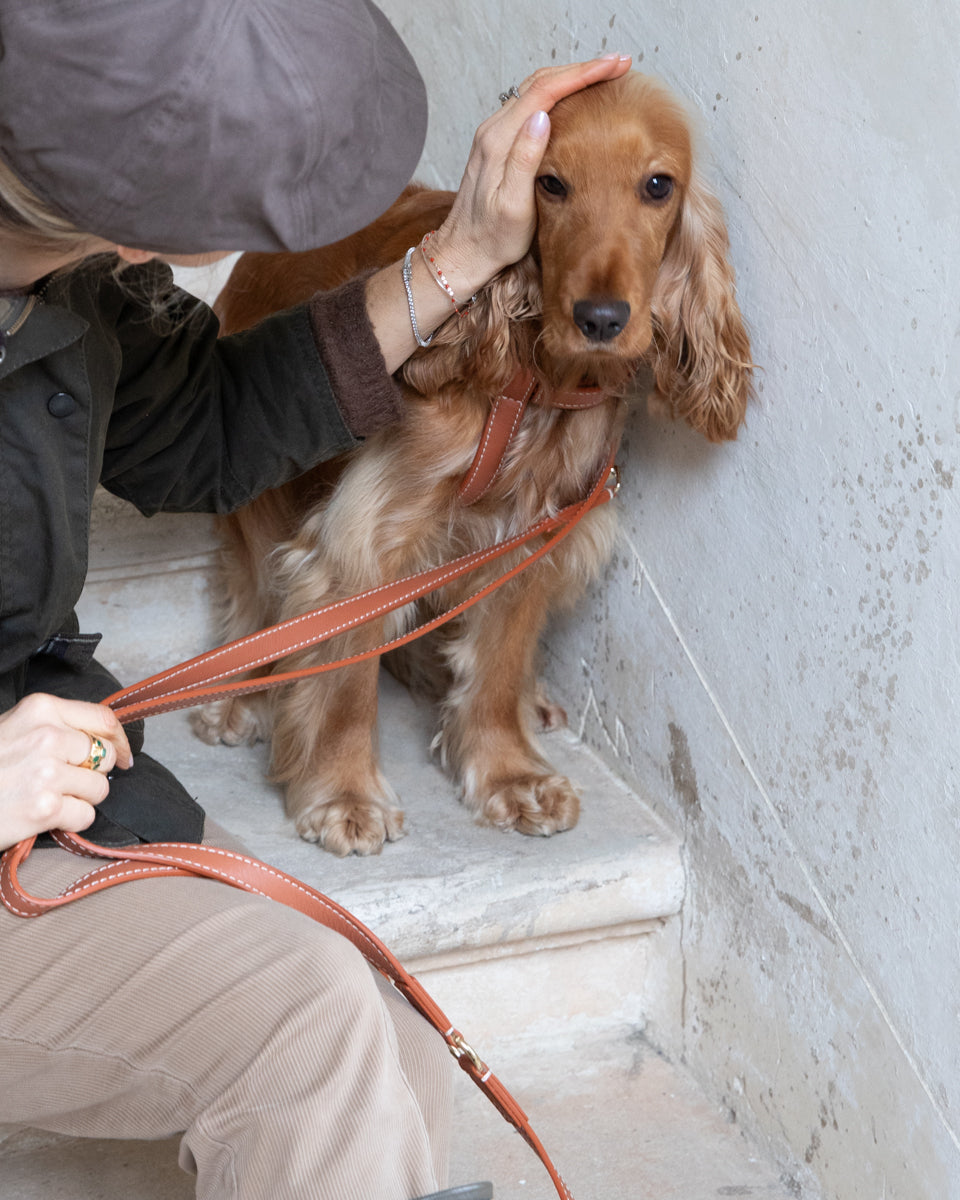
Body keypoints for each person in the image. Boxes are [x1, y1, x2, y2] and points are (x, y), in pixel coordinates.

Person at [0, 2, 630, 1197]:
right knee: (308, 1030)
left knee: (382, 1029)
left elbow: (211, 425)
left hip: (51, 761)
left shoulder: (75, 290)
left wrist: (464, 257)